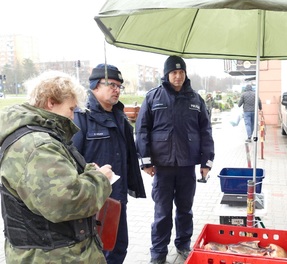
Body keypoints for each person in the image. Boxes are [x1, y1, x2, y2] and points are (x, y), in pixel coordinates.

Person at [0, 70, 113, 263]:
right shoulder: (38, 146)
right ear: (51, 102)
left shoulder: (37, 137)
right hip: (55, 256)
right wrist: (100, 179)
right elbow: (67, 201)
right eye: (70, 109)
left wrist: (85, 172)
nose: (72, 117)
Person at [135, 55, 215, 264]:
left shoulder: (195, 99)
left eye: (181, 72)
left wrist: (206, 163)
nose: (178, 76)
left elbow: (206, 131)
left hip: (187, 165)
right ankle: (159, 253)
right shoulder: (153, 97)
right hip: (162, 167)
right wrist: (146, 162)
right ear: (166, 74)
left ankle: (183, 245)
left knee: (185, 210)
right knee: (162, 212)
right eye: (173, 72)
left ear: (185, 74)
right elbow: (142, 130)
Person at [72, 63, 146, 264]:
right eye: (111, 84)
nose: (117, 89)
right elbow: (71, 160)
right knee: (98, 251)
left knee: (118, 246)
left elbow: (129, 155)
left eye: (119, 86)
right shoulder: (81, 117)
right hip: (94, 200)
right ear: (95, 86)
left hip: (118, 196)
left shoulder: (120, 117)